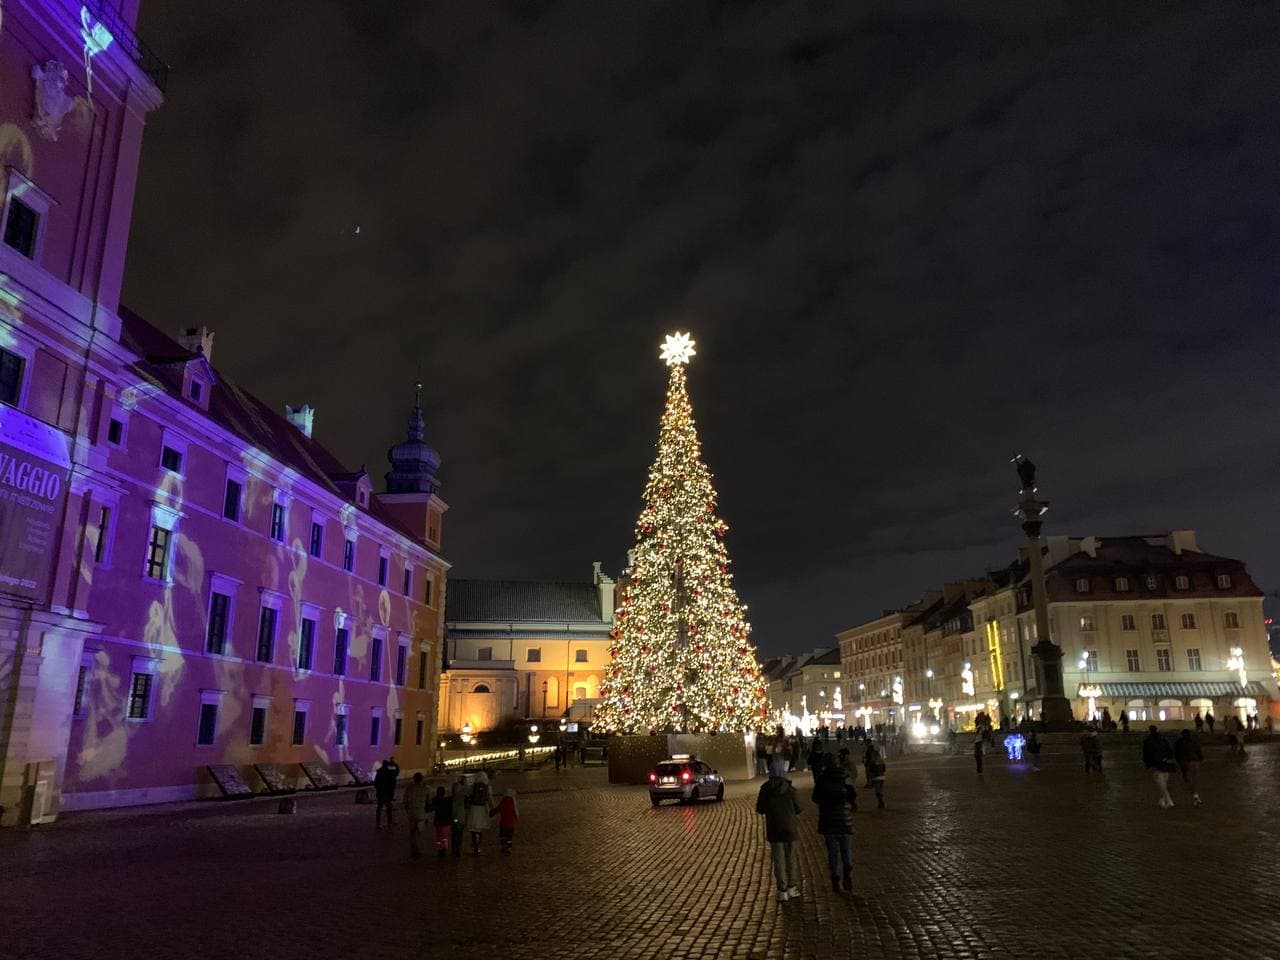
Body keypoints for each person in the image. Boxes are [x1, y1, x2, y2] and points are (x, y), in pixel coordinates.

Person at [756, 757, 802, 902]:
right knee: (790, 858)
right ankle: (792, 887)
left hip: (774, 827)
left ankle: (782, 890)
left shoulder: (765, 789)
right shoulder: (789, 789)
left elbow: (760, 808)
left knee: (778, 859)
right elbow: (798, 808)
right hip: (789, 828)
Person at [811, 756, 856, 894]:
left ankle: (835, 878)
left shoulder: (822, 779)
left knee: (833, 853)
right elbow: (852, 795)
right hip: (844, 819)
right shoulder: (845, 777)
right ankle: (847, 869)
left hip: (828, 820)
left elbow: (815, 798)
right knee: (846, 850)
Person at [1141, 725, 1176, 808]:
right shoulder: (1163, 740)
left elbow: (1146, 754)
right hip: (1165, 762)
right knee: (1164, 782)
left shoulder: (1148, 741)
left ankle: (1168, 800)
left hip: (1156, 764)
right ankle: (1163, 800)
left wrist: (1147, 764)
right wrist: (1168, 758)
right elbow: (1170, 750)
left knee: (1161, 784)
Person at [402, 772, 430, 860]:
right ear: (421, 779)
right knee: (419, 834)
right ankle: (417, 850)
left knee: (412, 833)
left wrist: (408, 810)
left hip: (411, 813)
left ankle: (413, 850)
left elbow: (405, 801)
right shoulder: (425, 789)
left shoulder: (409, 789)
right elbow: (428, 803)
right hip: (421, 814)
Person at [1173, 729, 1203, 807]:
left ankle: (1195, 796)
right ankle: (1196, 795)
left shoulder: (1179, 742)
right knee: (1194, 779)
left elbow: (1176, 752)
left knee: (1187, 779)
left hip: (1185, 762)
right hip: (1195, 761)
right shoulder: (1194, 741)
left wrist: (1178, 761)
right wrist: (1200, 758)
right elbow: (1198, 750)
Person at [465, 771, 492, 853]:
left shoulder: (473, 786)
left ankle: (474, 845)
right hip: (482, 809)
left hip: (474, 808)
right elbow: (489, 799)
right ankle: (479, 844)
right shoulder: (487, 787)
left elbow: (468, 795)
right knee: (480, 829)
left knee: (473, 829)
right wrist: (492, 808)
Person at [490, 788, 519, 855]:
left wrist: (491, 813)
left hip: (503, 823)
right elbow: (516, 814)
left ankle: (503, 846)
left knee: (503, 836)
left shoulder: (503, 802)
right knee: (509, 837)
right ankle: (508, 848)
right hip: (511, 824)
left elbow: (497, 809)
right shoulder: (513, 803)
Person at [373, 756, 399, 829]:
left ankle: (378, 823)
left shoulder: (379, 772)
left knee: (379, 808)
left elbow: (375, 783)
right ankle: (389, 822)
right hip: (387, 793)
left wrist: (379, 788)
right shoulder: (390, 772)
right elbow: (397, 771)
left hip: (380, 793)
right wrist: (393, 763)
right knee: (389, 808)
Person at [431, 785, 454, 857]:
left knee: (438, 836)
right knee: (444, 837)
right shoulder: (448, 801)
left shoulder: (435, 800)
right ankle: (444, 849)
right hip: (445, 822)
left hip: (438, 822)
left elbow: (431, 808)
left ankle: (439, 849)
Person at [863, 742, 886, 809]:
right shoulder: (880, 758)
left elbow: (870, 766)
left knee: (877, 788)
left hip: (876, 774)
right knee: (881, 788)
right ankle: (881, 798)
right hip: (882, 774)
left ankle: (880, 799)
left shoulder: (871, 757)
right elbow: (884, 767)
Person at [449, 778, 467, 857]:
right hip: (459, 819)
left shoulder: (453, 798)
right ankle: (457, 849)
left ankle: (455, 849)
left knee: (455, 835)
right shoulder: (461, 797)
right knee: (458, 835)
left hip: (456, 819)